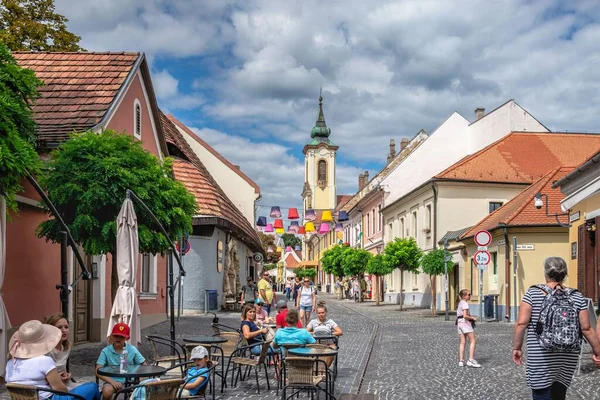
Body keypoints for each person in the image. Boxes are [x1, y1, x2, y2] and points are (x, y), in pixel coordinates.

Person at [513, 257, 600, 400]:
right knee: (559, 395)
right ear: (565, 274)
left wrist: (517, 348)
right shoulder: (576, 296)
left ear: (545, 273)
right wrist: (597, 352)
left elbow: (521, 324)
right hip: (568, 355)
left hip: (541, 355)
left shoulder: (533, 294)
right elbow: (587, 328)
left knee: (542, 395)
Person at [6, 320, 100, 400]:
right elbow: (60, 389)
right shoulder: (44, 361)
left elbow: (29, 380)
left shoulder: (10, 363)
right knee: (93, 386)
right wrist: (70, 390)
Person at [96, 322, 146, 400]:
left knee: (144, 390)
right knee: (107, 391)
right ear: (112, 336)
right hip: (111, 381)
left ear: (127, 338)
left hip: (130, 381)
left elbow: (143, 365)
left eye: (122, 337)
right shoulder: (105, 351)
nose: (118, 338)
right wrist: (112, 381)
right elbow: (97, 370)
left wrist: (140, 378)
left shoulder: (132, 349)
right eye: (116, 336)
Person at [45, 314, 77, 390]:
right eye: (59, 327)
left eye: (66, 327)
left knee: (93, 388)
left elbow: (63, 368)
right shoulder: (47, 350)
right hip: (50, 386)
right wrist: (55, 378)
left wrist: (67, 375)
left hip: (65, 383)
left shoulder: (66, 348)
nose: (64, 330)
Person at [456, 289, 481, 368]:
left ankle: (461, 360)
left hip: (459, 324)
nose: (470, 296)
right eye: (468, 294)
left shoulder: (460, 303)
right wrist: (472, 318)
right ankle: (471, 359)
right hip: (465, 324)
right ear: (464, 296)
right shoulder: (465, 304)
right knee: (473, 340)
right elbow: (465, 316)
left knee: (462, 342)